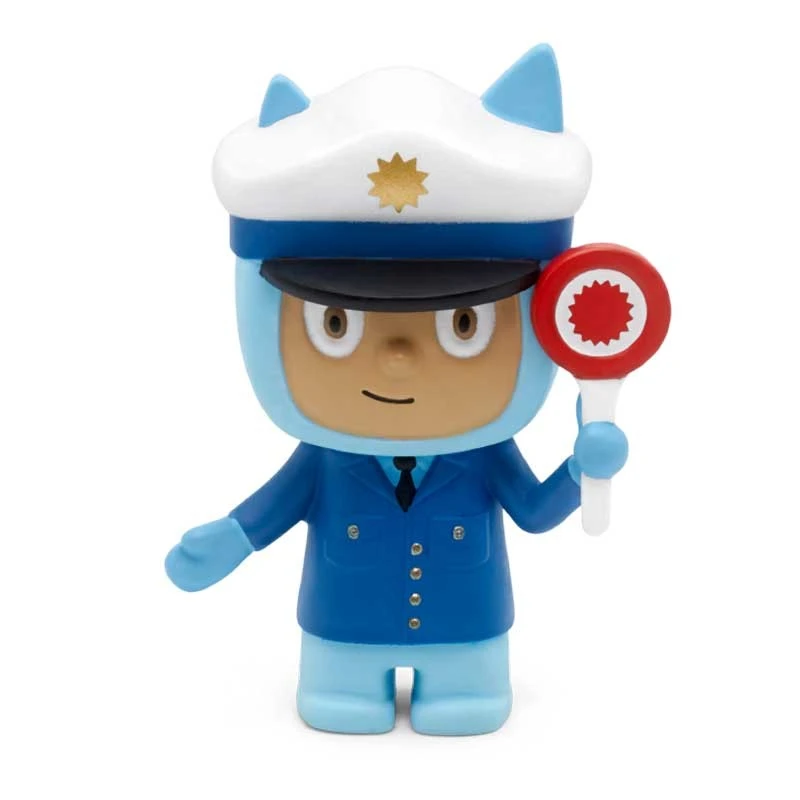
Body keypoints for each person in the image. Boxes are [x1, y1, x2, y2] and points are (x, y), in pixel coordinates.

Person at [165, 44, 628, 735]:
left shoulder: (486, 451)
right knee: (341, 698)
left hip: (468, 627)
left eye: (465, 323)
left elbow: (534, 512)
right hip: (342, 629)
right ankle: (346, 687)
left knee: (466, 700)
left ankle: (463, 690)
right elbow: (272, 507)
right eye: (336, 322)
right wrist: (230, 539)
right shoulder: (325, 457)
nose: (400, 360)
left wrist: (583, 470)